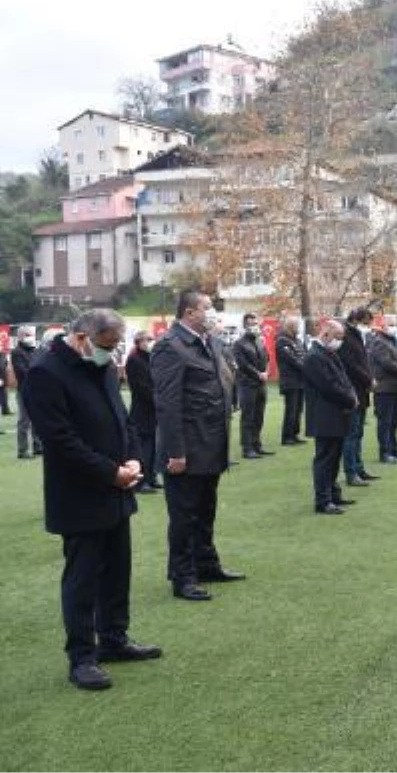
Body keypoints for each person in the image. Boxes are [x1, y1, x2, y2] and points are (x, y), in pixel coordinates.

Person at [25, 310, 162, 691]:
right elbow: (59, 440)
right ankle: (82, 657)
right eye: (108, 345)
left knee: (117, 570)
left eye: (117, 345)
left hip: (116, 489)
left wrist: (133, 458)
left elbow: (123, 419)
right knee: (82, 579)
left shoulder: (98, 365)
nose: (112, 353)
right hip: (80, 495)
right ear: (83, 337)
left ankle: (114, 639)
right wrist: (109, 471)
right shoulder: (45, 372)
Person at [152, 291, 244, 602]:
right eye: (207, 308)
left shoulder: (211, 342)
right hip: (188, 447)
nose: (213, 312)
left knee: (206, 509)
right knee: (184, 515)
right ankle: (183, 576)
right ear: (190, 312)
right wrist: (176, 452)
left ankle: (206, 564)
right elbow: (167, 404)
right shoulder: (170, 346)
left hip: (212, 442)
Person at [303, 320, 358, 515]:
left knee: (334, 457)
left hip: (337, 413)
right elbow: (328, 386)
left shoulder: (328, 353)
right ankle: (323, 500)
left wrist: (351, 395)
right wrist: (349, 399)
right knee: (325, 458)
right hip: (324, 415)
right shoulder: (313, 357)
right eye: (338, 338)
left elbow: (343, 379)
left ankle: (333, 494)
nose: (339, 342)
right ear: (326, 334)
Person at [337, 308, 377, 487]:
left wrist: (369, 379)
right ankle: (351, 472)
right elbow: (351, 365)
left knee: (358, 432)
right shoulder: (346, 336)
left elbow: (363, 361)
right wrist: (369, 379)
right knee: (351, 434)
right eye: (366, 322)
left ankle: (359, 468)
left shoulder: (357, 336)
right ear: (357, 320)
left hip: (361, 389)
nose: (368, 326)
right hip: (352, 390)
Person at [124, 331, 161, 493]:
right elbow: (141, 388)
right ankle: (142, 481)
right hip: (142, 410)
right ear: (139, 342)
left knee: (154, 446)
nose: (151, 342)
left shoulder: (150, 358)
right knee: (144, 447)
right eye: (148, 340)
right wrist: (158, 400)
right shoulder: (134, 360)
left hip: (152, 410)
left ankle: (152, 477)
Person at [368, 318, 397, 464]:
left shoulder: (392, 341)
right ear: (381, 328)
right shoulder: (379, 342)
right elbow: (387, 363)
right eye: (390, 325)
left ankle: (393, 449)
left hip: (394, 387)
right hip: (384, 388)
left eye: (394, 325)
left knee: (393, 422)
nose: (393, 327)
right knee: (385, 422)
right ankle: (384, 453)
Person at [232, 313, 272, 459]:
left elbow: (267, 358)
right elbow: (243, 364)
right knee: (247, 417)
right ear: (244, 325)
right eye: (250, 323)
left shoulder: (259, 341)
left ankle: (257, 445)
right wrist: (258, 374)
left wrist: (266, 372)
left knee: (259, 416)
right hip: (247, 385)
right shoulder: (239, 344)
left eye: (256, 323)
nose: (254, 326)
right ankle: (247, 448)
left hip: (261, 384)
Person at [276, 315, 307, 446]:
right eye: (297, 326)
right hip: (290, 381)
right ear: (291, 327)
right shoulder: (282, 341)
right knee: (291, 409)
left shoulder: (298, 341)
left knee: (298, 410)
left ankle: (294, 434)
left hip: (301, 381)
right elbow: (292, 360)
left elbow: (305, 355)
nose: (299, 328)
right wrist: (307, 367)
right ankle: (287, 437)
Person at [13, 326, 42, 458]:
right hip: (24, 390)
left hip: (36, 389)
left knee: (37, 420)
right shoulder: (17, 352)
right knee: (24, 421)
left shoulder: (35, 351)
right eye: (27, 334)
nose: (30, 337)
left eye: (31, 334)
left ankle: (38, 446)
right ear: (20, 336)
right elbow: (22, 370)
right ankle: (23, 450)